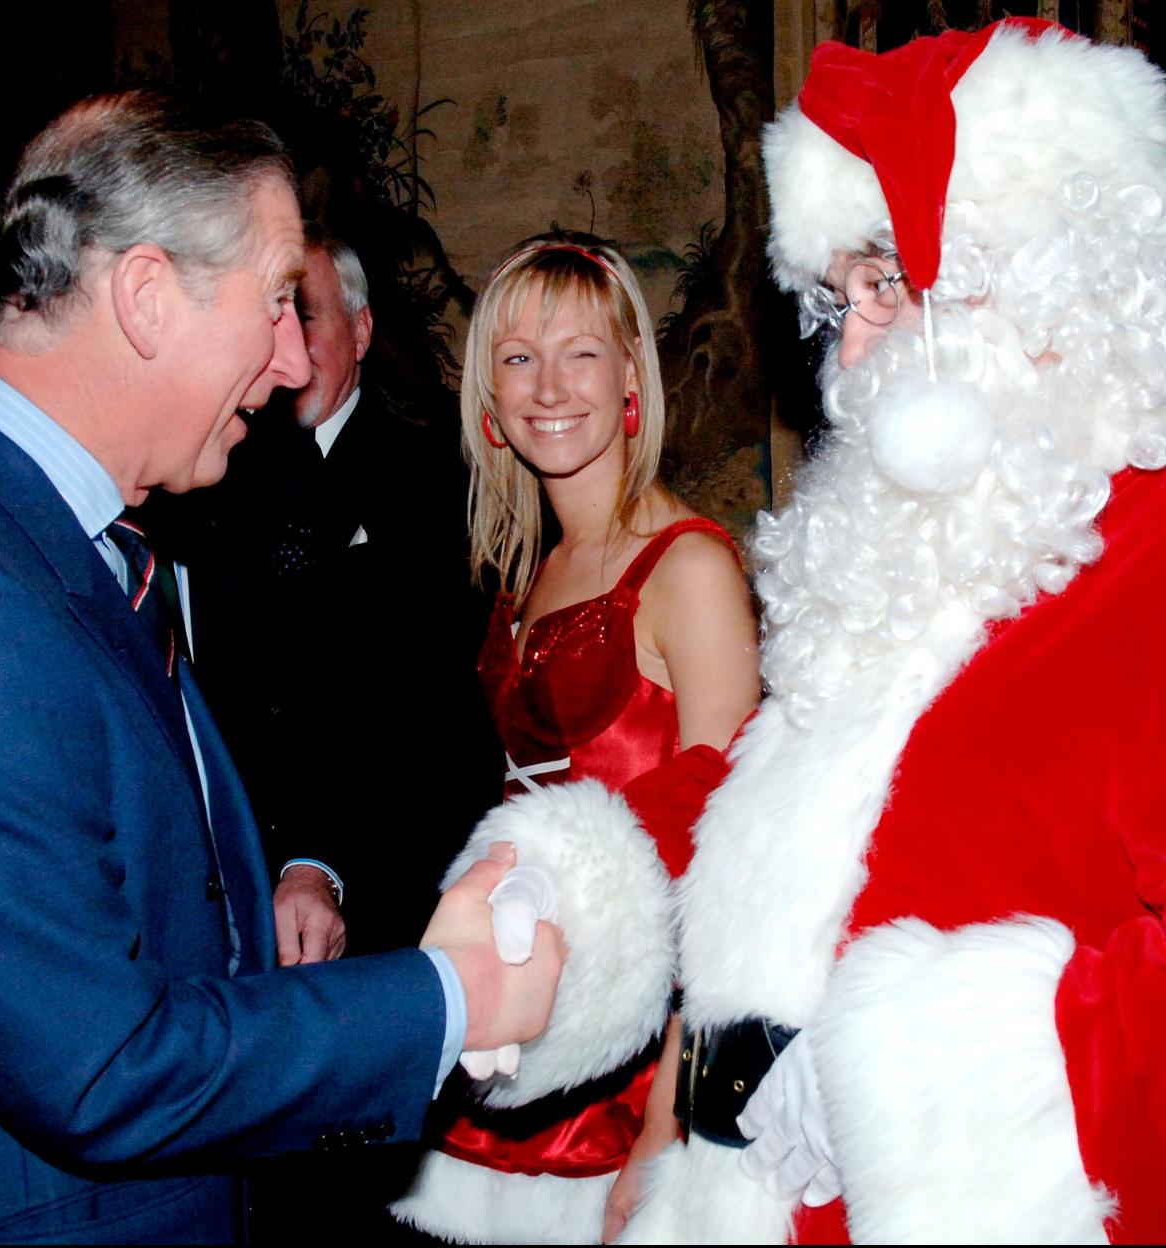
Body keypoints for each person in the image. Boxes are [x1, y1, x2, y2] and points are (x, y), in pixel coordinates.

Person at [0, 89, 562, 1246]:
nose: (290, 357)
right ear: (148, 296)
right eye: (274, 301)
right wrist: (450, 996)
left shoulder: (58, 538)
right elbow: (100, 1066)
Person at [568, 18, 1165, 1244]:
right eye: (837, 299)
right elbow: (807, 798)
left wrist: (916, 1087)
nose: (850, 353)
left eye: (886, 282)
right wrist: (580, 883)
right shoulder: (921, 540)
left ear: (1046, 270)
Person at [390, 236, 761, 1243]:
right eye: (518, 357)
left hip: (641, 1076)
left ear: (631, 376)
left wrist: (667, 1128)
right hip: (529, 1036)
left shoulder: (688, 569)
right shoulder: (524, 581)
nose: (550, 385)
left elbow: (731, 875)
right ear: (489, 399)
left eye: (581, 353)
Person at [150, 224, 500, 965]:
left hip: (390, 892)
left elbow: (417, 701)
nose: (286, 342)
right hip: (233, 889)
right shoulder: (213, 470)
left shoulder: (439, 474)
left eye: (305, 314)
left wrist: (321, 861)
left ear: (362, 328)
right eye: (269, 317)